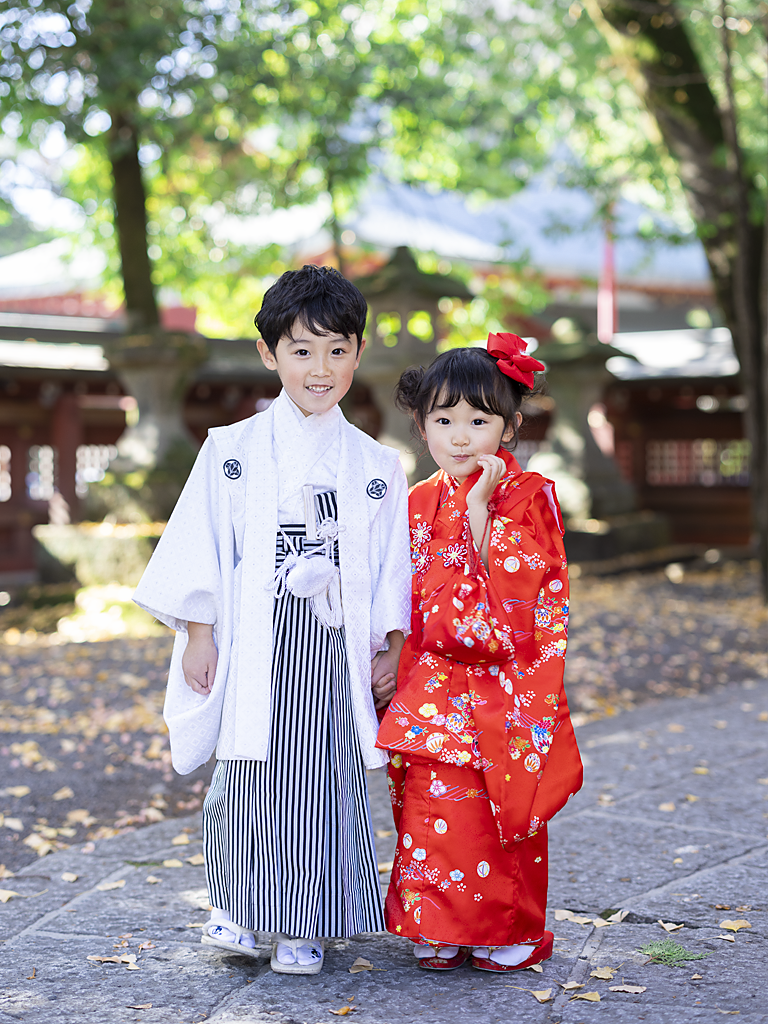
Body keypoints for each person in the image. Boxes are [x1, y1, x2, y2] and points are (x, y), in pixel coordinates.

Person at [133, 265, 411, 975]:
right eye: (302, 350)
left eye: (338, 350)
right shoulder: (231, 451)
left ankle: (304, 924)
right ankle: (235, 906)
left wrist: (394, 643)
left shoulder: (377, 463)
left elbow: (389, 565)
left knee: (321, 776)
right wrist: (199, 631)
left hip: (332, 639)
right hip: (255, 632)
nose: (321, 369)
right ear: (269, 354)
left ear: (358, 353)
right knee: (247, 770)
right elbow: (203, 543)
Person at [376, 334, 583, 973]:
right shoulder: (414, 501)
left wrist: (475, 511)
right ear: (421, 425)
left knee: (501, 810)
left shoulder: (529, 495)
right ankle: (441, 922)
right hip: (432, 677)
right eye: (443, 420)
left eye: (478, 420)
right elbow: (402, 590)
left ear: (510, 426)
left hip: (504, 682)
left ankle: (507, 927)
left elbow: (526, 592)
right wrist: (392, 651)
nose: (460, 436)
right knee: (435, 802)